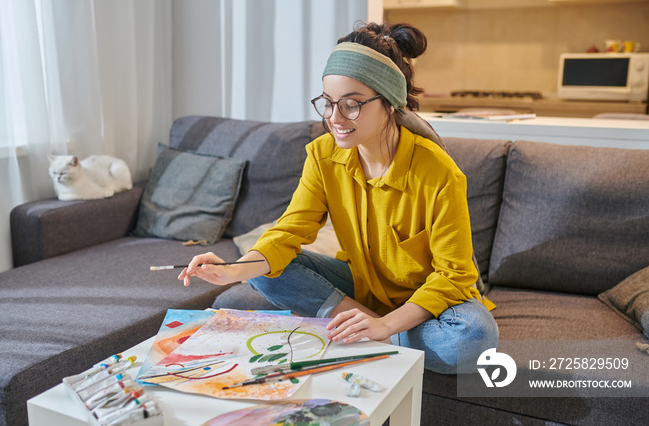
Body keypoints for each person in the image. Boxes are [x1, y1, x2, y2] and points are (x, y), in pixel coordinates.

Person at [178, 21, 498, 374]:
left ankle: (373, 333)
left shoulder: (438, 172)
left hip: (429, 301)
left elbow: (454, 275)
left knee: (472, 340)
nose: (334, 118)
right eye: (328, 103)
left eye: (351, 105)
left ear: (390, 102)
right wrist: (231, 272)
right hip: (363, 286)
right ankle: (365, 324)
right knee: (260, 266)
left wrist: (387, 327)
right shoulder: (323, 155)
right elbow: (290, 231)